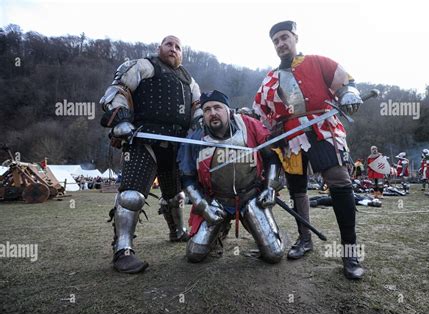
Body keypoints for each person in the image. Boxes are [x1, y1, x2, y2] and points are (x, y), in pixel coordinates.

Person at [253, 20, 364, 279]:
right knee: (297, 188)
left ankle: (350, 252)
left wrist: (348, 94)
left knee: (339, 182)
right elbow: (260, 111)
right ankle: (305, 240)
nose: (281, 43)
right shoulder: (270, 78)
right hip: (289, 135)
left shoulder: (318, 62)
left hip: (322, 127)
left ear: (295, 38)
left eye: (284, 37)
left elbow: (345, 82)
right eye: (276, 41)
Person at [99, 35, 201, 273]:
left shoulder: (190, 80)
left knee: (175, 197)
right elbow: (117, 90)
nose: (173, 49)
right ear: (160, 48)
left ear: (182, 53)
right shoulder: (143, 66)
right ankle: (123, 249)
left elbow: (197, 108)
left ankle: (177, 231)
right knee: (132, 196)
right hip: (143, 140)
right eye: (169, 44)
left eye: (178, 47)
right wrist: (122, 118)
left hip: (176, 144)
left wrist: (200, 128)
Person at [178, 90, 284, 264]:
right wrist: (203, 206)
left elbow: (272, 156)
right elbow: (187, 177)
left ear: (228, 110)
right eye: (207, 110)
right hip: (216, 201)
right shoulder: (195, 138)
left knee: (274, 254)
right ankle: (220, 230)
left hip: (251, 197)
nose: (212, 113)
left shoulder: (249, 125)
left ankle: (270, 234)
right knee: (194, 254)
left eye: (217, 107)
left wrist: (270, 187)